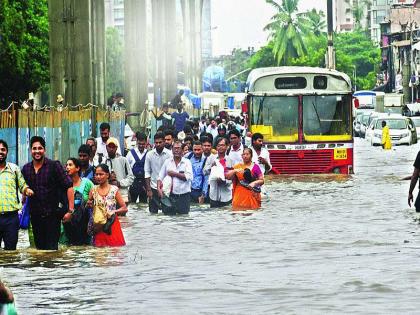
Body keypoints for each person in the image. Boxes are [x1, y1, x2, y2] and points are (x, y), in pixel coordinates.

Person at [22, 136, 74, 250]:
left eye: (40, 148)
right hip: (35, 218)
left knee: (51, 252)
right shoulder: (26, 169)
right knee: (39, 251)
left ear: (44, 150)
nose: (37, 151)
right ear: (30, 150)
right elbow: (23, 188)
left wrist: (70, 211)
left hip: (53, 217)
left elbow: (69, 186)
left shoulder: (54, 166)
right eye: (34, 148)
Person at [0, 140, 34, 250]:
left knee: (11, 252)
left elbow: (22, 186)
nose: (0, 152)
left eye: (3, 150)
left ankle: (10, 268)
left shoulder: (14, 169)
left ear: (7, 152)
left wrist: (27, 190)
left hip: (11, 218)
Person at [88, 164, 127, 247]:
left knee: (115, 251)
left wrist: (114, 211)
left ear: (107, 175)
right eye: (96, 174)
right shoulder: (93, 190)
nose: (98, 177)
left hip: (112, 224)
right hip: (99, 224)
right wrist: (89, 204)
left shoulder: (114, 189)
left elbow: (124, 208)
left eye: (101, 174)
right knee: (99, 253)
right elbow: (89, 205)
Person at [62, 158, 94, 245]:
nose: (67, 167)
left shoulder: (86, 183)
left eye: (70, 165)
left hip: (84, 223)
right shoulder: (63, 184)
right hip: (67, 223)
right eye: (66, 165)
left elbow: (96, 196)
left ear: (77, 168)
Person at [157, 141, 193, 215]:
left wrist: (174, 174)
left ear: (182, 150)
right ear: (172, 150)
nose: (176, 150)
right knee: (169, 220)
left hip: (184, 196)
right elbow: (160, 177)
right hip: (171, 196)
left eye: (178, 148)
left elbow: (187, 177)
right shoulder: (167, 162)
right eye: (174, 148)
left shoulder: (187, 162)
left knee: (184, 218)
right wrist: (158, 189)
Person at [144, 132, 173, 213]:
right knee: (153, 214)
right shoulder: (149, 155)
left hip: (166, 188)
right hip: (153, 188)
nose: (158, 144)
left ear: (164, 142)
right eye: (156, 143)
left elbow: (172, 172)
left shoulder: (170, 154)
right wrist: (149, 190)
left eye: (160, 142)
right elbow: (147, 172)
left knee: (167, 213)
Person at [104, 137, 134, 203]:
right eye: (109, 147)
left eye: (113, 147)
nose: (111, 149)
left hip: (122, 194)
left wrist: (119, 183)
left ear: (116, 148)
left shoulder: (123, 160)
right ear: (106, 147)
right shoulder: (103, 161)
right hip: (107, 195)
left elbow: (131, 178)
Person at [209, 137, 233, 208]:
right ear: (216, 147)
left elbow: (233, 177)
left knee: (226, 216)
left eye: (222, 145)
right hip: (214, 194)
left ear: (227, 146)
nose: (220, 147)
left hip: (226, 195)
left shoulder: (230, 160)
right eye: (219, 145)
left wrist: (225, 181)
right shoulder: (211, 159)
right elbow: (204, 172)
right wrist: (211, 168)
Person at [126, 132, 148, 203]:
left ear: (146, 142)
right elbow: (126, 168)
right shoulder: (130, 153)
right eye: (139, 144)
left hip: (145, 184)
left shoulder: (149, 154)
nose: (141, 146)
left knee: (144, 205)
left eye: (143, 144)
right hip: (133, 183)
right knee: (131, 204)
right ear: (136, 142)